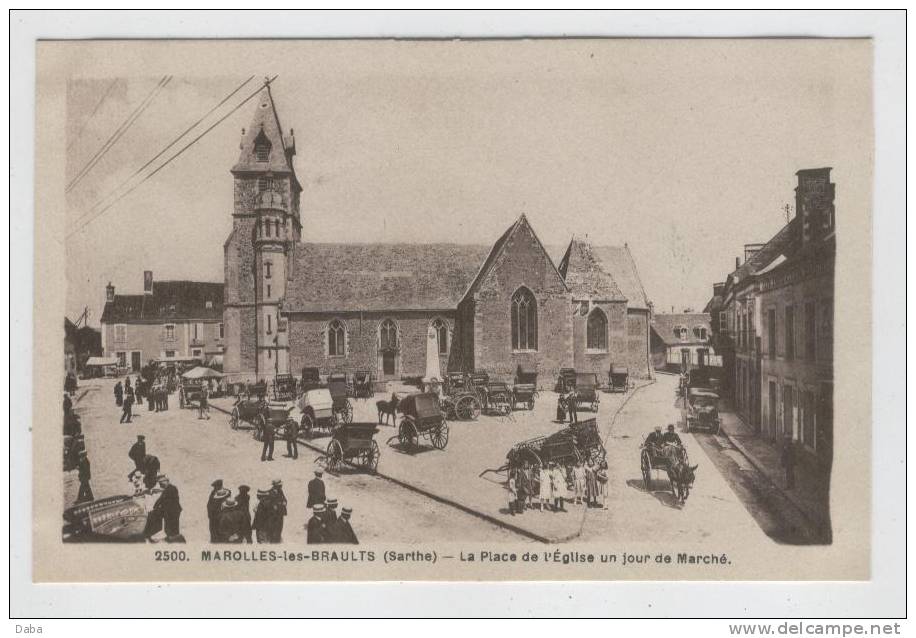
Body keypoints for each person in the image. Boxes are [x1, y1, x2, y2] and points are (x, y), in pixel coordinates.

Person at [144, 475, 182, 542]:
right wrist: (155, 506)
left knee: (173, 525)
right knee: (168, 525)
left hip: (173, 511)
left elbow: (166, 500)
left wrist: (158, 508)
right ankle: (171, 537)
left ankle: (174, 538)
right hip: (169, 511)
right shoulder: (166, 489)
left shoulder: (172, 488)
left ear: (166, 481)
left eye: (161, 483)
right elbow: (160, 499)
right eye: (159, 483)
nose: (160, 485)